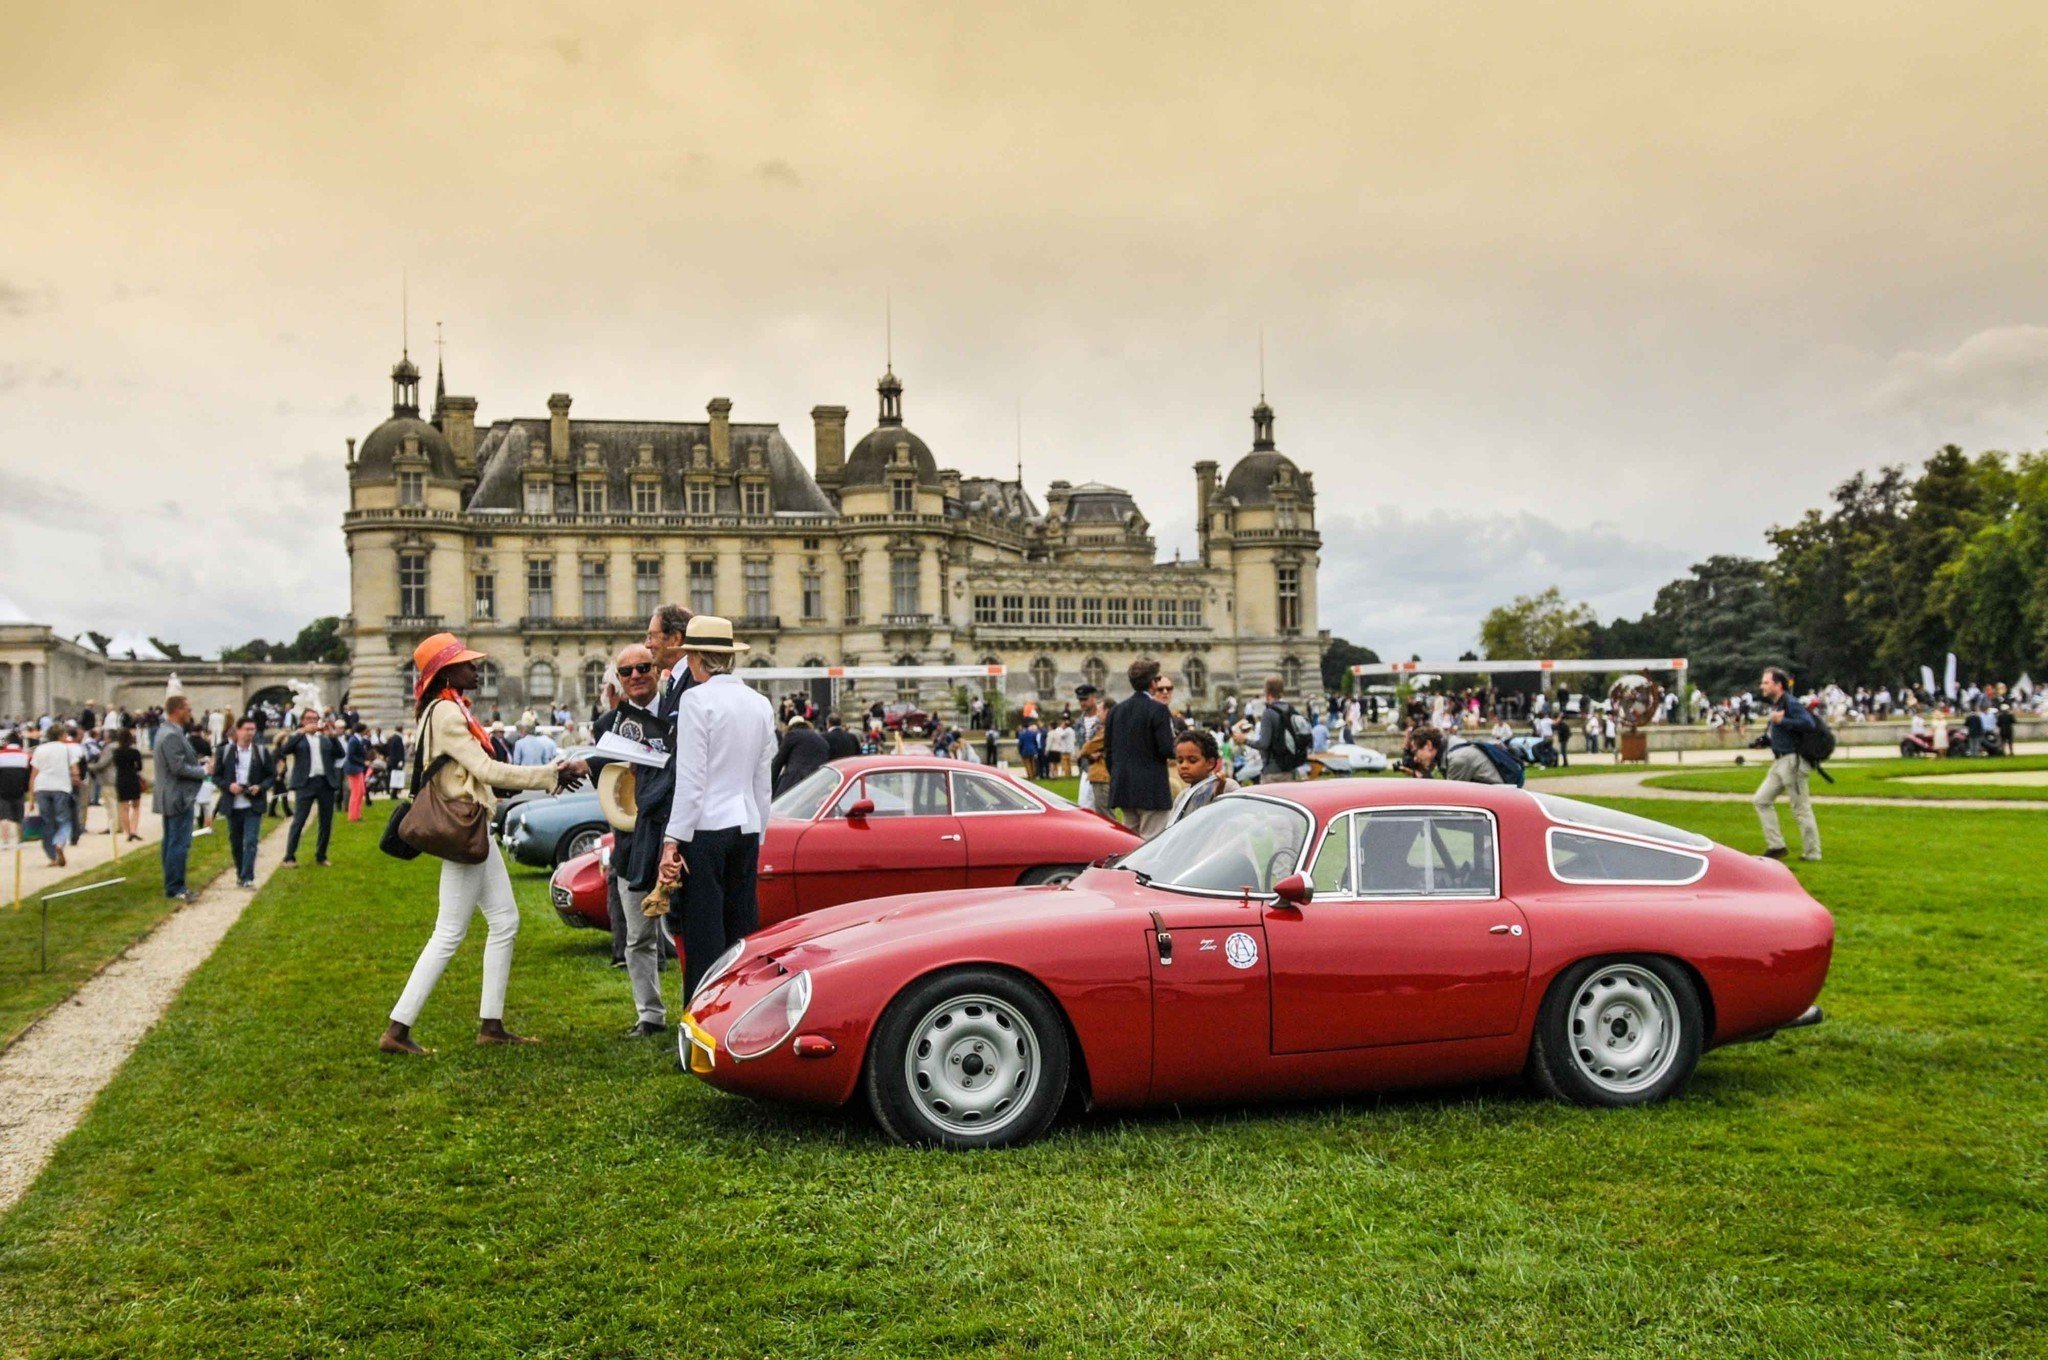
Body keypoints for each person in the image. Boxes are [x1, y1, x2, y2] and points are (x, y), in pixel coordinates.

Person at [381, 633, 587, 1055]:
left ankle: (491, 1025)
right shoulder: (447, 712)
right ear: (446, 673)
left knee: (504, 921)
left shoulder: (444, 708)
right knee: (449, 932)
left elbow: (474, 773)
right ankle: (397, 1030)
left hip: (472, 827)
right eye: (467, 664)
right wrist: (549, 774)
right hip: (465, 830)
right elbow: (486, 769)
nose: (477, 669)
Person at [657, 615, 777, 1001]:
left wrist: (672, 840)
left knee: (703, 933)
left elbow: (692, 780)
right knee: (742, 931)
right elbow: (762, 781)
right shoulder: (759, 703)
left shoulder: (696, 700)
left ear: (696, 658)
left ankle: (702, 1014)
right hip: (746, 826)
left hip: (706, 829)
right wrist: (760, 832)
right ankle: (741, 1008)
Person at [591, 642, 673, 1027]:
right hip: (631, 841)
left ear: (656, 671)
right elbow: (607, 787)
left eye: (643, 667)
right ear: (619, 680)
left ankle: (702, 1012)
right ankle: (650, 1015)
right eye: (627, 671)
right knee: (638, 936)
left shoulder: (679, 713)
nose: (636, 675)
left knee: (690, 931)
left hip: (678, 836)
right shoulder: (607, 726)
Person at [1102, 658, 1178, 838]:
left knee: (1130, 840)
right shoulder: (1158, 709)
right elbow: (1166, 748)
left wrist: (1119, 774)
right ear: (1152, 683)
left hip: (1124, 785)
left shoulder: (1116, 711)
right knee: (1153, 840)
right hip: (1151, 787)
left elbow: (1109, 752)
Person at [1753, 666, 1821, 862]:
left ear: (1778, 685)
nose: (1762, 686)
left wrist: (1783, 720)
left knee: (1801, 808)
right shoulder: (1779, 704)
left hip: (1793, 762)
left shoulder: (1791, 703)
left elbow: (1809, 724)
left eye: (1766, 682)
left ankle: (1813, 853)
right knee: (1761, 800)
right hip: (1780, 761)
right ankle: (1776, 846)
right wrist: (1767, 741)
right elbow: (1785, 733)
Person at [152, 697, 211, 898]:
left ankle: (172, 882)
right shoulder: (171, 735)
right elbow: (177, 768)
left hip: (172, 794)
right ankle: (175, 887)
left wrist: (199, 764)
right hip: (178, 796)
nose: (190, 712)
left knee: (171, 841)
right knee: (179, 842)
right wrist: (203, 771)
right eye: (188, 709)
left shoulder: (167, 731)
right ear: (177, 710)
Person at [212, 716, 274, 887]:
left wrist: (260, 787)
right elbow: (216, 777)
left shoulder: (261, 752)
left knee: (251, 841)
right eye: (247, 729)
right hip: (233, 804)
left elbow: (271, 776)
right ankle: (241, 873)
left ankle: (247, 877)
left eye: (252, 729)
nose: (250, 733)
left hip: (253, 804)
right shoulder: (224, 752)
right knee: (236, 842)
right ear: (237, 731)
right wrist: (229, 786)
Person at [279, 709, 342, 867]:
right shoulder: (299, 739)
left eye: (315, 718)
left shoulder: (325, 739)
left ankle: (321, 855)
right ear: (302, 721)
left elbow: (340, 754)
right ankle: (289, 856)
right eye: (308, 718)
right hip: (305, 783)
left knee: (326, 822)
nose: (312, 721)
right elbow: (284, 750)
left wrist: (333, 736)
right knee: (299, 820)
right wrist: (300, 732)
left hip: (325, 783)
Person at [30, 724, 81, 867]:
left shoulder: (40, 749)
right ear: (61, 735)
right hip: (61, 787)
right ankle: (59, 843)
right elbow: (75, 770)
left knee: (47, 822)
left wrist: (32, 798)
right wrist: (76, 778)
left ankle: (52, 856)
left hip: (42, 786)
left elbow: (33, 775)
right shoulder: (67, 749)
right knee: (64, 820)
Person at [1246, 674, 1310, 784]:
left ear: (1267, 692)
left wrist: (1245, 740)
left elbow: (1263, 744)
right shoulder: (1290, 710)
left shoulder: (1268, 713)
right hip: (1290, 769)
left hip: (1272, 772)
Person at [1167, 729, 1239, 824]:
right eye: (1180, 761)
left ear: (1210, 763)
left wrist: (1218, 799)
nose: (1183, 766)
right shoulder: (1182, 797)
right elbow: (1173, 828)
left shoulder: (1227, 786)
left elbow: (1238, 821)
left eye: (1192, 760)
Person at [1401, 727, 1503, 784]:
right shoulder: (1447, 748)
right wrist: (1419, 772)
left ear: (1428, 745)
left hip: (1496, 804)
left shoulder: (1457, 759)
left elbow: (1448, 799)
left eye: (1415, 752)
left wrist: (1421, 775)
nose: (1415, 758)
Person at [771, 715, 831, 796]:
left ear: (790, 727)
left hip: (794, 781)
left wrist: (769, 784)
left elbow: (778, 762)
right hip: (816, 784)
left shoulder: (792, 735)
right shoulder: (822, 740)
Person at [112, 727, 146, 840]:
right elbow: (140, 767)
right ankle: (134, 830)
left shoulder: (116, 752)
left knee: (124, 807)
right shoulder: (134, 752)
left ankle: (127, 832)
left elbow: (116, 765)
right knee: (136, 806)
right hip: (132, 778)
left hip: (121, 778)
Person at [0, 728, 29, 851]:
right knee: (19, 816)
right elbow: (28, 775)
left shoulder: (1, 755)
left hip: (2, 790)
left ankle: (5, 841)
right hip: (19, 790)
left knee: (4, 817)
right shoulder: (25, 756)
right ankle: (20, 841)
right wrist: (26, 788)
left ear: (7, 742)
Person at [343, 722, 372, 822]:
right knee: (356, 792)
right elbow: (351, 756)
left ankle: (357, 814)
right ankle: (353, 815)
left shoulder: (357, 740)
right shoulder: (353, 741)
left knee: (361, 792)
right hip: (353, 769)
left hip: (357, 768)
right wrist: (363, 762)